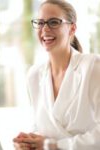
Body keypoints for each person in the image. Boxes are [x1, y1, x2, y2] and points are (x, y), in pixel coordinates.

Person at [13, 0, 100, 149]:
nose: (45, 29)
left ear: (72, 29)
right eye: (40, 23)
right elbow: (40, 127)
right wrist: (29, 142)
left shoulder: (92, 67)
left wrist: (54, 146)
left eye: (54, 22)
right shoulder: (34, 75)